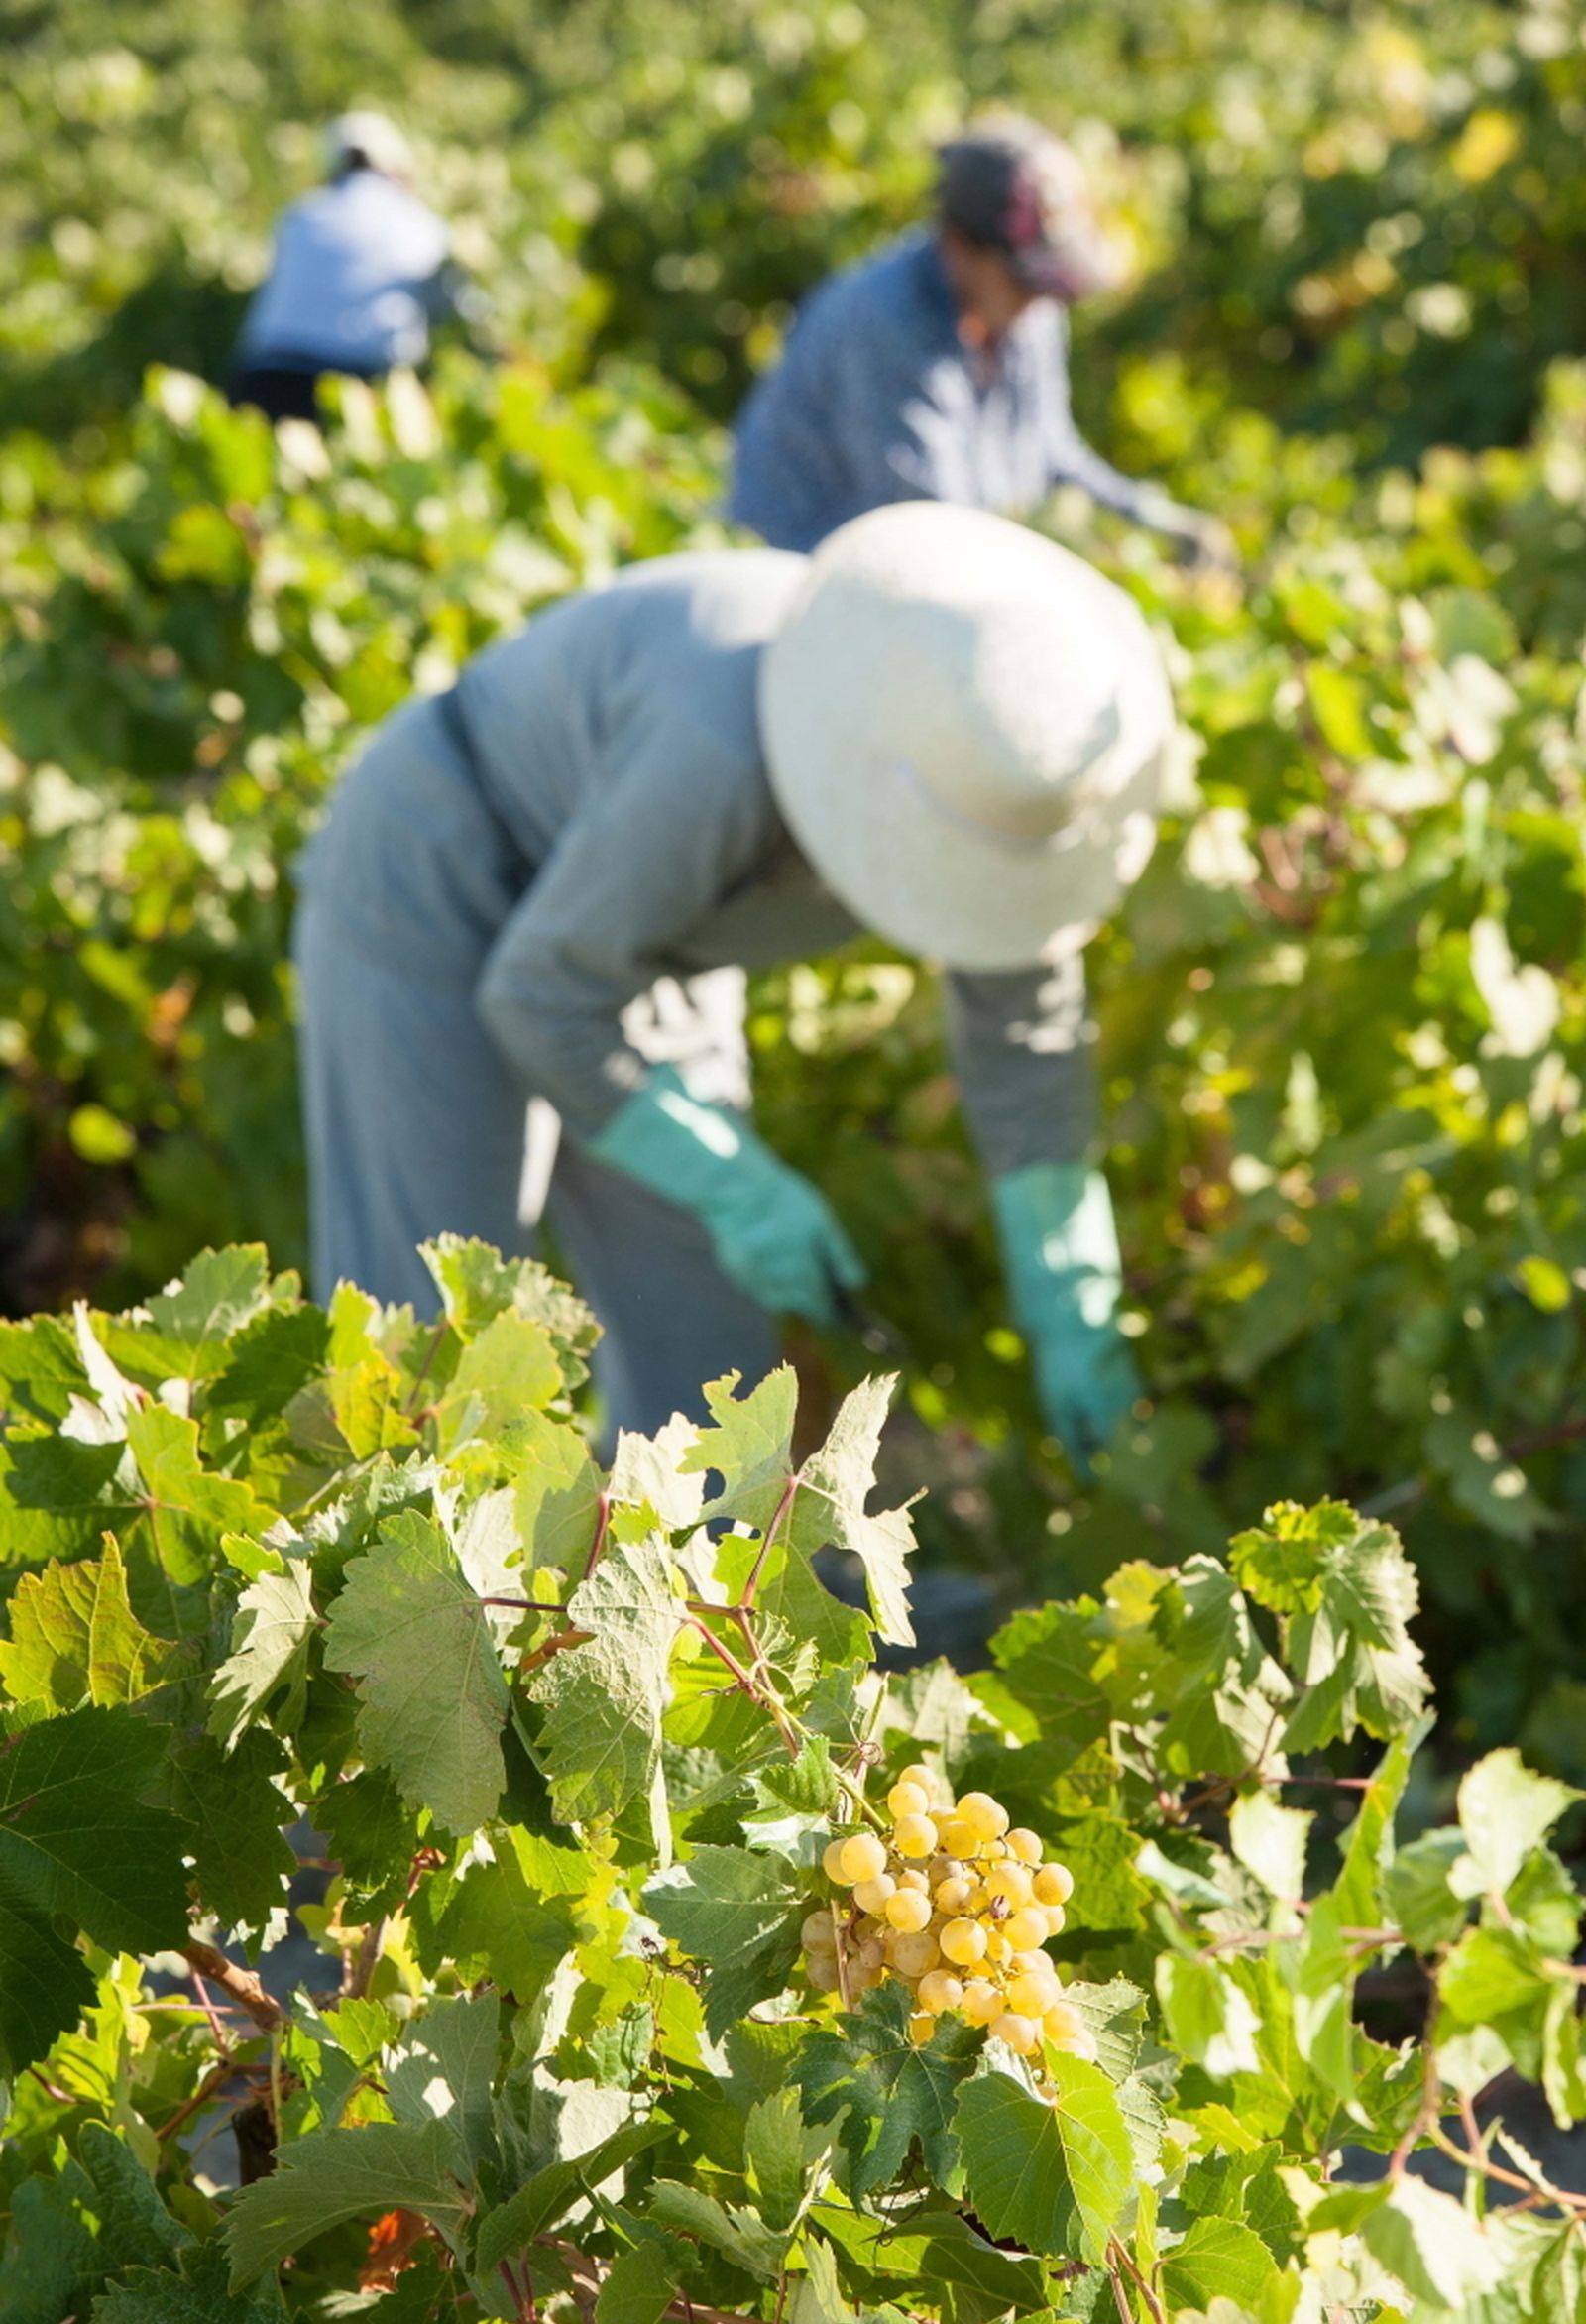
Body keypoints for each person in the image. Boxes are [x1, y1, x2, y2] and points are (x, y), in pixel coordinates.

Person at [294, 502, 1174, 1484]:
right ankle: (400, 1624)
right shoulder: (719, 744)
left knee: (707, 1345)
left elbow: (1028, 1035)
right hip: (439, 872)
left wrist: (1070, 1300)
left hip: (650, 940)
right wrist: (737, 1182)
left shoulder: (1004, 766)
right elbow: (542, 991)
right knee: (432, 1332)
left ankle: (679, 1621)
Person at [730, 114, 1227, 567]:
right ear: (959, 244)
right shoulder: (881, 324)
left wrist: (1150, 519)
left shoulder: (1030, 315)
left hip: (919, 568)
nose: (1040, 302)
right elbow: (936, 527)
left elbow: (1050, 448)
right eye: (1024, 281)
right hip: (796, 570)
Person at [228, 112, 473, 425]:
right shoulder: (422, 225)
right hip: (356, 388)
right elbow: (458, 309)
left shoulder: (298, 217)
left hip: (261, 379)